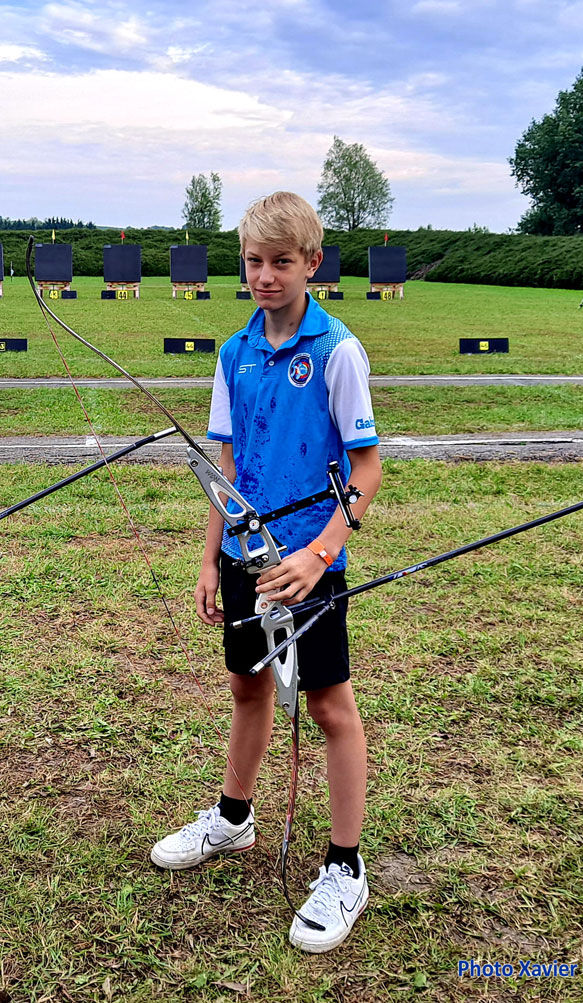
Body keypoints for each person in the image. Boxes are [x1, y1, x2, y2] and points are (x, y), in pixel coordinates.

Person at [149, 191, 382, 953]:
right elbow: (226, 468)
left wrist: (319, 555)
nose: (265, 276)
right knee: (247, 687)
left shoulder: (338, 350)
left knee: (328, 708)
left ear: (312, 263)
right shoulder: (233, 352)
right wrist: (209, 556)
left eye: (282, 261)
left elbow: (367, 470)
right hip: (243, 560)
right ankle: (233, 817)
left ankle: (345, 866)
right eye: (254, 261)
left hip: (306, 565)